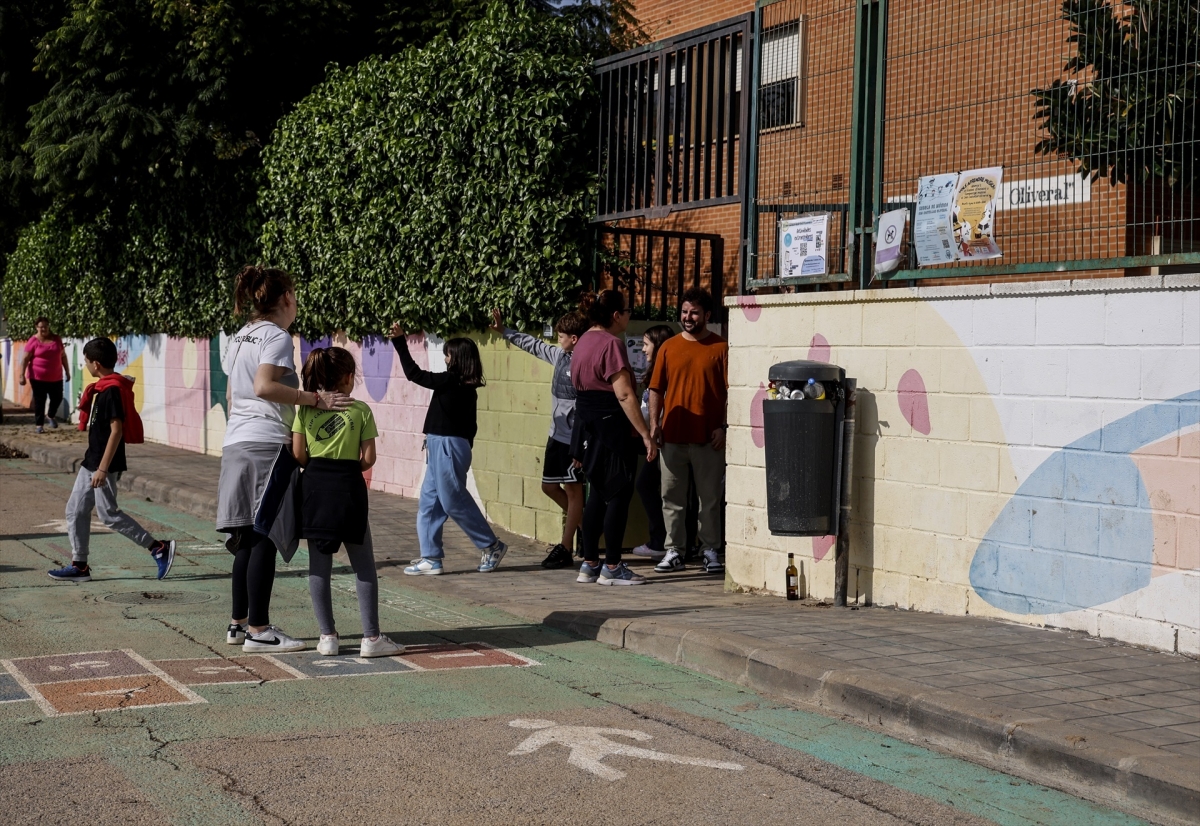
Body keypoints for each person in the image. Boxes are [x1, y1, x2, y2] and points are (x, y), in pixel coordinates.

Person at [218, 265, 351, 654]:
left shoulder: (239, 337)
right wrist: (315, 399)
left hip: (236, 443)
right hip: (266, 445)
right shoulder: (277, 336)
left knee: (245, 534)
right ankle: (259, 630)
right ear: (287, 298)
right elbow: (264, 386)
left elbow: (233, 395)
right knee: (264, 536)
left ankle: (238, 623)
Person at [293, 346, 402, 658]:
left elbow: (298, 454)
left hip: (314, 488)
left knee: (319, 565)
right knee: (363, 565)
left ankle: (327, 636)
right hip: (348, 487)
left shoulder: (306, 409)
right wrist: (351, 464)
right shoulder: (361, 410)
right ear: (349, 377)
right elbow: (369, 458)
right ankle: (371, 638)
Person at [47, 338, 176, 582]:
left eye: (86, 361)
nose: (85, 365)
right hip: (91, 461)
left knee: (108, 514)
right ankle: (80, 565)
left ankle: (157, 547)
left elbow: (117, 430)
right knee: (75, 510)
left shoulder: (111, 391)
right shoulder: (102, 387)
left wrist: (103, 469)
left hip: (102, 465)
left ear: (96, 364)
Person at [389, 322, 508, 575]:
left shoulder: (453, 382)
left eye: (448, 354)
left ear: (458, 359)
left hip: (447, 446)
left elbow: (414, 374)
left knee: (452, 501)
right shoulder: (462, 385)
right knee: (429, 503)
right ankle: (431, 558)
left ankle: (491, 545)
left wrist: (400, 341)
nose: (445, 358)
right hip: (438, 444)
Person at [490, 307, 590, 569]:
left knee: (573, 489)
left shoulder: (584, 363)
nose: (557, 340)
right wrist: (504, 331)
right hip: (555, 435)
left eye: (562, 336)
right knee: (548, 486)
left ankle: (567, 547)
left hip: (574, 440)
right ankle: (588, 526)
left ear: (575, 338)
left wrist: (581, 441)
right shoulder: (559, 356)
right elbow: (533, 345)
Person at [569, 290, 657, 586]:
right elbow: (623, 393)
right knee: (618, 493)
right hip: (611, 425)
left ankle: (590, 562)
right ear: (616, 315)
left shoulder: (581, 341)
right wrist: (645, 434)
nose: (629, 316)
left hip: (589, 425)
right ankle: (613, 566)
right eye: (628, 311)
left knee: (598, 493)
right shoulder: (611, 344)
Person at [648, 287, 728, 575]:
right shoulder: (668, 347)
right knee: (671, 499)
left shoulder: (721, 348)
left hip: (710, 439)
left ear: (706, 315)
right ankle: (674, 551)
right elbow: (655, 388)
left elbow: (733, 391)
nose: (688, 317)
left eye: (694, 312)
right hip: (672, 437)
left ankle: (710, 550)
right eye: (684, 311)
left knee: (709, 500)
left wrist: (724, 427)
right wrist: (655, 424)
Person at [630, 324, 676, 561]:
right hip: (654, 439)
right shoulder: (652, 370)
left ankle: (661, 541)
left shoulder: (666, 371)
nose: (643, 349)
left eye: (647, 344)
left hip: (663, 442)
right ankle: (663, 540)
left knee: (648, 486)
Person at [18, 316, 70, 433]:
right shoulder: (33, 341)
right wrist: (21, 375)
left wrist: (67, 371)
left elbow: (63, 356)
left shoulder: (56, 339)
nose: (44, 329)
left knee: (57, 398)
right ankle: (39, 425)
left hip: (56, 376)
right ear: (36, 327)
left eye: (46, 326)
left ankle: (50, 415)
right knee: (40, 400)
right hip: (37, 377)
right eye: (41, 327)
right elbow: (25, 359)